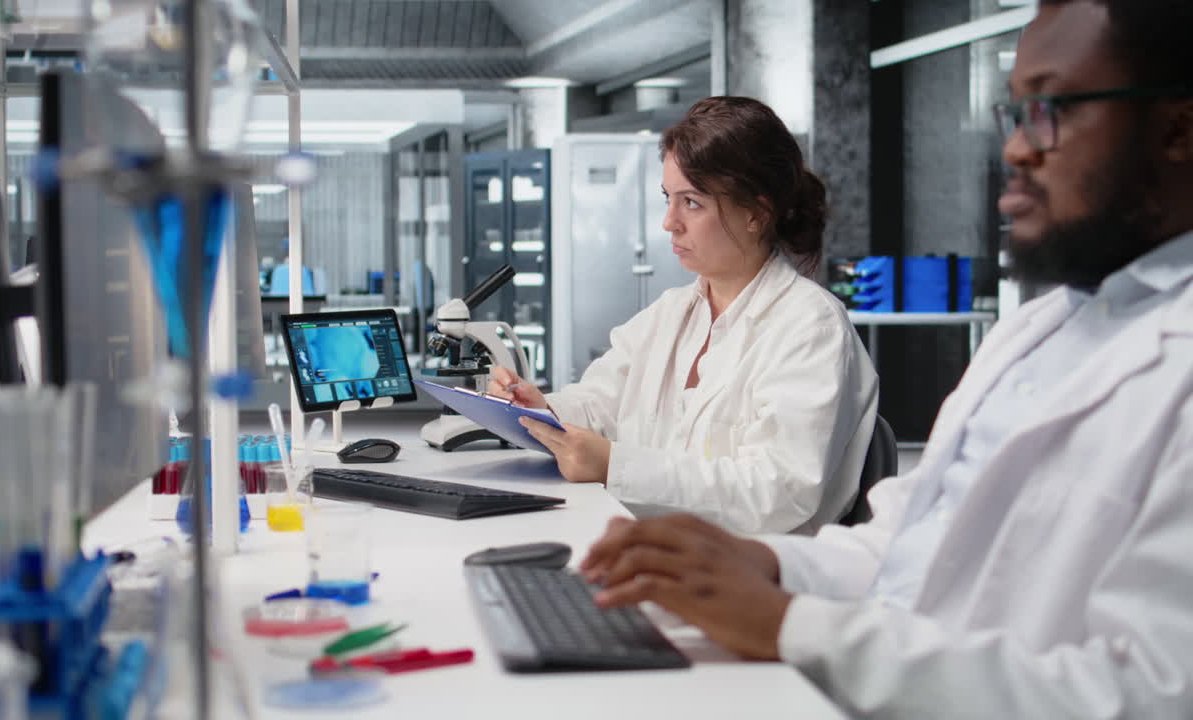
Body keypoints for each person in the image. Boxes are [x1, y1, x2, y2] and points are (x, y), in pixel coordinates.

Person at [579, 1, 1193, 717]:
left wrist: (790, 623)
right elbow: (905, 545)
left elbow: (1152, 695)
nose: (1018, 149)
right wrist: (763, 564)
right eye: (1016, 114)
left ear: (1177, 128)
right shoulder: (1043, 328)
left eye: (1052, 109)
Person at [490, 96, 879, 535]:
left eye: (691, 203)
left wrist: (616, 465)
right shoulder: (672, 313)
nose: (669, 223)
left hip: (751, 575)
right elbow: (599, 407)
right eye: (668, 198)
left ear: (756, 213)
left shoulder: (811, 326)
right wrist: (536, 407)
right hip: (656, 549)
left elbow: (780, 490)